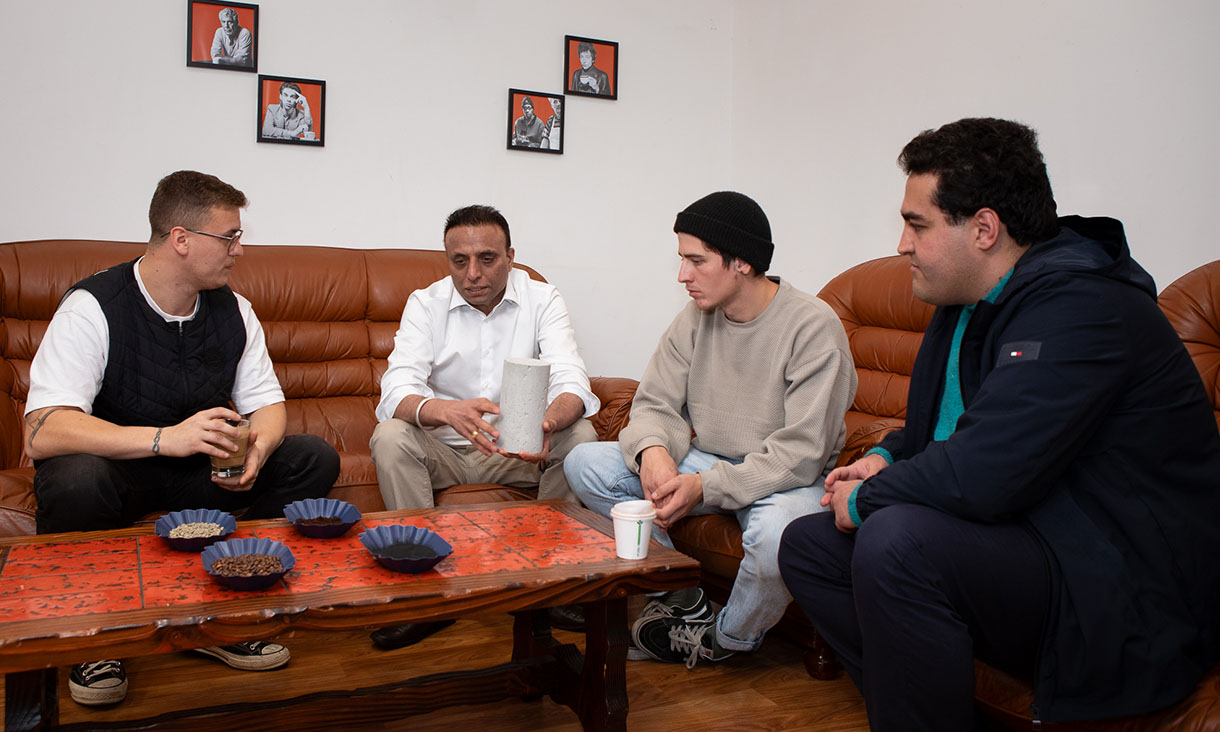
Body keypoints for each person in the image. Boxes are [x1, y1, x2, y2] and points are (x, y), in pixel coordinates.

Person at [777, 118, 1220, 730]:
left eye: (917, 224)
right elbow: (957, 428)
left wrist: (869, 497)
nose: (902, 244)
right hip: (1033, 536)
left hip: (1117, 582)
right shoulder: (965, 302)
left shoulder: (1082, 307)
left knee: (896, 540)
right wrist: (889, 456)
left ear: (984, 229)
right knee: (809, 546)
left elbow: (986, 470)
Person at [23, 170, 340, 706]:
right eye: (229, 236)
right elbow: (42, 429)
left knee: (312, 458)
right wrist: (162, 439)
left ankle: (222, 616)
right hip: (119, 476)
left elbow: (267, 404)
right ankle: (96, 638)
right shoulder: (92, 306)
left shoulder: (235, 310)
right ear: (181, 239)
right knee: (74, 477)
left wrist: (257, 451)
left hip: (200, 477)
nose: (239, 250)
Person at [564, 191, 856, 668]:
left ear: (742, 262)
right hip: (712, 462)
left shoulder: (813, 327)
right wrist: (654, 452)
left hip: (787, 481)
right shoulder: (696, 317)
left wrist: (704, 486)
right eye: (682, 259)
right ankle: (680, 596)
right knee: (585, 462)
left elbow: (801, 453)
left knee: (778, 535)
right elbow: (654, 403)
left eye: (696, 261)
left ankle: (727, 638)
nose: (683, 275)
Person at [369, 204, 600, 648]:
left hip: (516, 450)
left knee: (581, 436)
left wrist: (549, 422)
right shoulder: (426, 303)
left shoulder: (542, 298)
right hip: (443, 452)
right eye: (460, 261)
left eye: (487, 259)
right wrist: (445, 410)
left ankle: (547, 586)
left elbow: (571, 379)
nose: (472, 274)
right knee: (391, 437)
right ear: (448, 260)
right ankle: (425, 597)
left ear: (510, 257)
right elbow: (396, 389)